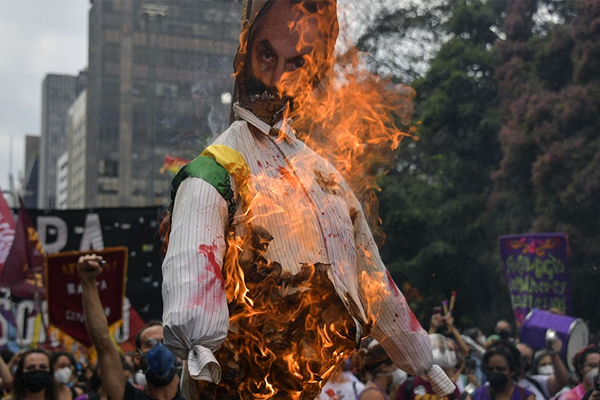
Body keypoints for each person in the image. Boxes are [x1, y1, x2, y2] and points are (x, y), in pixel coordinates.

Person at [161, 1, 455, 399]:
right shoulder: (219, 168)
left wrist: (423, 362)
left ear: (313, 72)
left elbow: (373, 279)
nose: (277, 74)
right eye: (267, 53)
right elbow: (193, 269)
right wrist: (198, 341)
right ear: (244, 53)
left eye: (296, 62)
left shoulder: (327, 179)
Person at [76, 254, 183, 400]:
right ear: (137, 358)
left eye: (166, 342)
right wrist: (88, 282)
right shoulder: (128, 397)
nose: (160, 349)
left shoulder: (195, 394)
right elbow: (102, 342)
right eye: (150, 343)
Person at [466, 341, 534, 400]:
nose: (494, 372)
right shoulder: (475, 396)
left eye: (500, 369)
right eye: (490, 369)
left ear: (512, 370)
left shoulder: (525, 396)